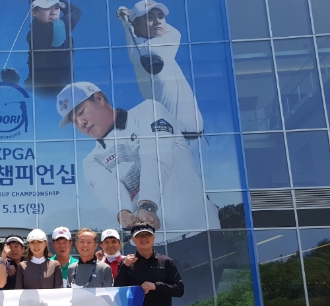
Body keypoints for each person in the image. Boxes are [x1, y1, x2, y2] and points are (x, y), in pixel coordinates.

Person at [56, 81, 220, 235]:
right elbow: (110, 192)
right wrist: (123, 212)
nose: (81, 123)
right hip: (149, 243)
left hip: (200, 230)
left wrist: (147, 205)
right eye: (74, 121)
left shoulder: (148, 110)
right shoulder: (91, 161)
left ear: (99, 99)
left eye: (81, 112)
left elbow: (156, 157)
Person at [116, 0, 203, 136]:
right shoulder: (153, 49)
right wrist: (128, 18)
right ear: (136, 24)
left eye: (160, 17)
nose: (157, 21)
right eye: (150, 18)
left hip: (189, 137)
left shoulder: (138, 50)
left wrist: (127, 20)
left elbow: (131, 35)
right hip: (181, 140)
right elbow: (175, 32)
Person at [25, 0, 81, 98]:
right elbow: (76, 12)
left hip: (41, 94)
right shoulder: (54, 29)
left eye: (56, 7)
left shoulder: (34, 31)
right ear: (33, 12)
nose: (53, 12)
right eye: (47, 8)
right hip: (52, 96)